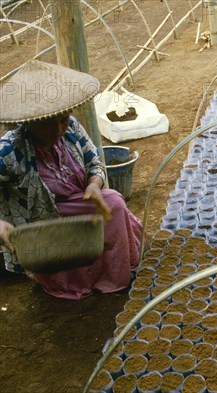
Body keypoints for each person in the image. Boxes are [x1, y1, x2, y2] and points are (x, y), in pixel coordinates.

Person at [0, 60, 143, 300]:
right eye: (48, 125)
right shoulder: (9, 152)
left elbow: (94, 161)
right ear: (30, 122)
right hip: (45, 218)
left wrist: (94, 184)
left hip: (78, 200)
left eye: (63, 119)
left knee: (114, 203)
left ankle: (115, 278)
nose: (58, 129)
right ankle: (71, 282)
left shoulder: (71, 128)